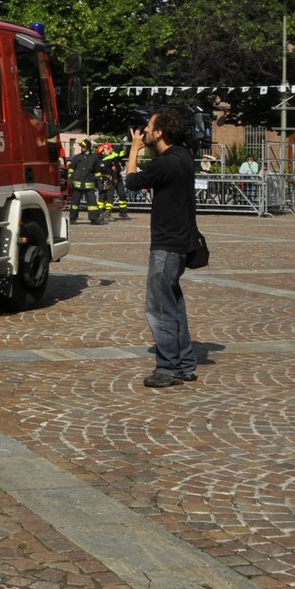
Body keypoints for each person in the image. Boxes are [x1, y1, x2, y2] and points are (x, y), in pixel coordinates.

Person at [124, 106, 199, 388]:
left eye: (149, 127)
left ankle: (167, 367)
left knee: (159, 308)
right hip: (182, 243)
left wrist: (134, 148)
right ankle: (186, 364)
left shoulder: (165, 164)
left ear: (160, 132)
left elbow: (132, 181)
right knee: (174, 305)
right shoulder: (183, 157)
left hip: (166, 246)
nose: (144, 131)